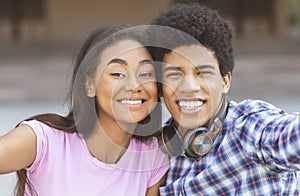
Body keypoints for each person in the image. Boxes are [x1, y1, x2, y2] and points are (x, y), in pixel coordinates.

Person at [148, 3, 300, 195]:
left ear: (225, 81)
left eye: (202, 72)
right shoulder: (155, 152)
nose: (189, 87)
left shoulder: (249, 128)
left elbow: (291, 135)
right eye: (174, 74)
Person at [0, 24, 169, 196]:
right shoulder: (44, 141)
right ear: (89, 85)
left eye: (146, 74)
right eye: (117, 74)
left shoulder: (153, 156)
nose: (135, 86)